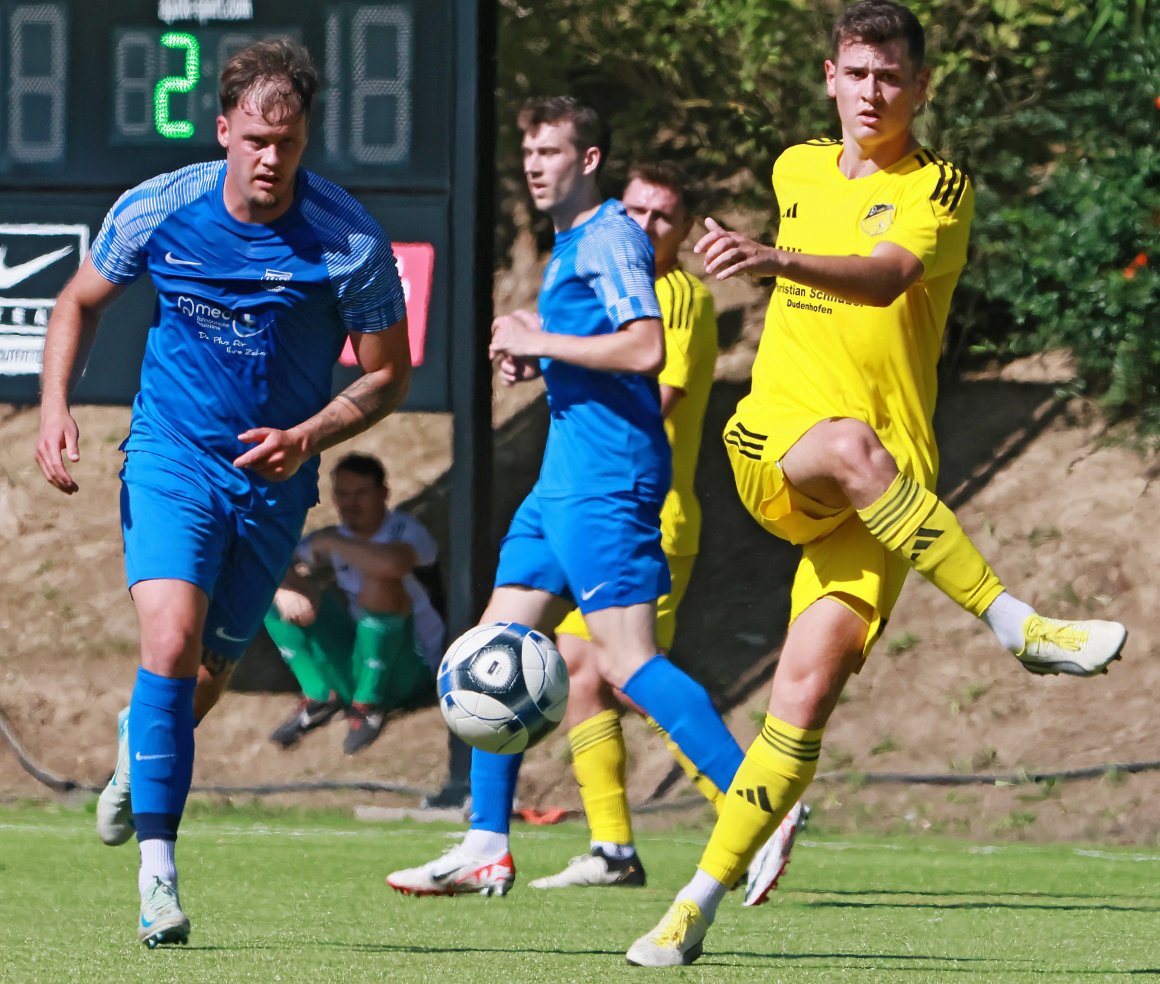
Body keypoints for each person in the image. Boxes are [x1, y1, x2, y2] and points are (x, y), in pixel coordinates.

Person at [626, 1, 1127, 966]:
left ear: (921, 87)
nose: (872, 92)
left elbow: (887, 276)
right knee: (851, 442)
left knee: (803, 702)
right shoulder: (796, 166)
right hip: (779, 445)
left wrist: (769, 257)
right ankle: (1015, 622)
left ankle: (690, 906)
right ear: (829, 77)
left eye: (891, 77)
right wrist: (766, 255)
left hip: (886, 489)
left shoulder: (940, 185)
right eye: (856, 74)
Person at [34, 39, 412, 948]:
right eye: (254, 139)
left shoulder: (349, 240)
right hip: (171, 457)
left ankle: (141, 747)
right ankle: (158, 876)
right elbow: (78, 300)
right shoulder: (162, 206)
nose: (271, 158)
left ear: (305, 136)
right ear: (224, 132)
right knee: (168, 643)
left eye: (287, 139)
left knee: (204, 674)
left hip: (274, 483)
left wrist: (310, 435)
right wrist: (55, 407)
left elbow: (390, 375)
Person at [386, 97, 750, 898]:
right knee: (493, 645)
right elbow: (592, 355)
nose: (534, 165)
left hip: (607, 479)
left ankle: (757, 810)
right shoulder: (572, 244)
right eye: (528, 153)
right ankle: (487, 842)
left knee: (626, 661)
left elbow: (647, 346)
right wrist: (538, 356)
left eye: (549, 152)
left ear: (588, 161)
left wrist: (540, 340)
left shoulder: (613, 235)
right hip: (561, 482)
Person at [529, 162, 808, 894]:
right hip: (599, 508)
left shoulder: (674, 297)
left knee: (626, 675)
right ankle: (614, 848)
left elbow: (654, 400)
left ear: (685, 232)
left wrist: (556, 361)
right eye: (638, 210)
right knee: (585, 672)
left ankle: (755, 805)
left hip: (646, 514)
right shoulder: (608, 287)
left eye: (665, 216)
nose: (648, 225)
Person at [265, 452, 444, 755]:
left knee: (377, 583)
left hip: (414, 663)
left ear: (383, 494)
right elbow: (272, 564)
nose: (351, 504)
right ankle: (319, 695)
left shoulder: (405, 530)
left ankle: (368, 705)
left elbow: (391, 565)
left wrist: (334, 543)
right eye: (343, 494)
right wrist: (284, 589)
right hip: (363, 652)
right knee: (269, 590)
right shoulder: (336, 535)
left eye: (361, 493)